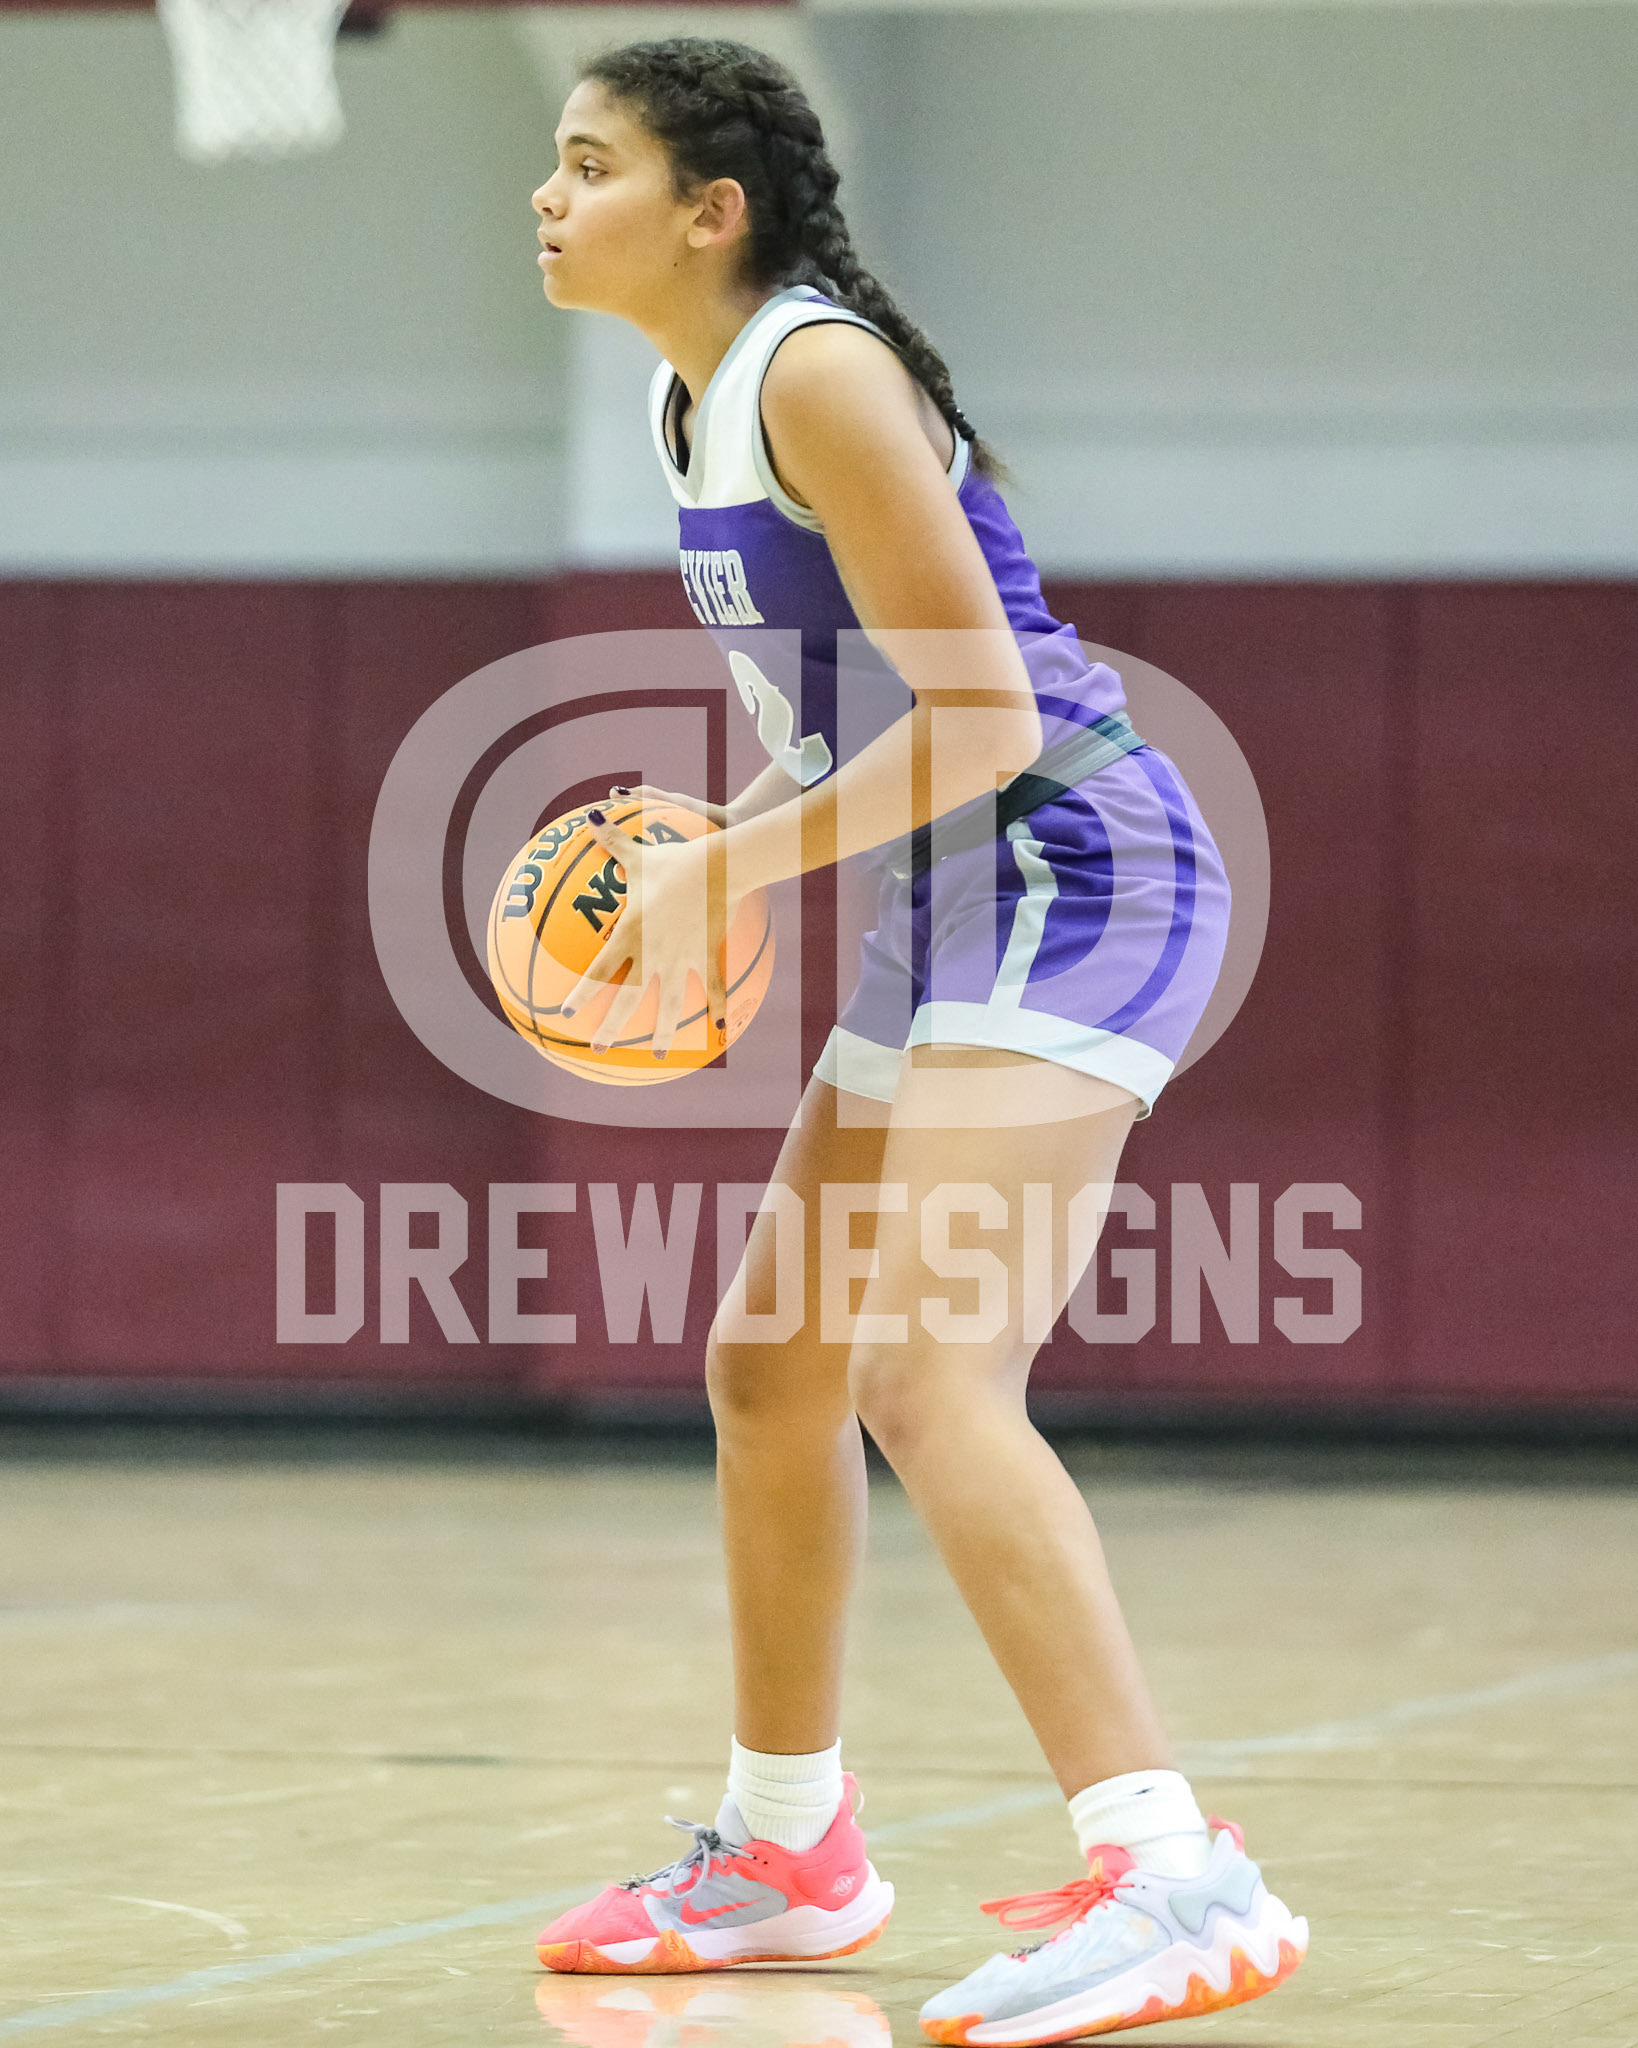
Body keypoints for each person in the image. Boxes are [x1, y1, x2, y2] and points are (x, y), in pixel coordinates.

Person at [528, 36, 1307, 2042]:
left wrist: (729, 868)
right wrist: (731, 851)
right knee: (773, 1365)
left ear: (711, 209)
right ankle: (790, 1852)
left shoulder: (816, 372)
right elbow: (866, 729)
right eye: (555, 160)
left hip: (1072, 859)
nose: (549, 194)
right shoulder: (694, 394)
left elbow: (988, 719)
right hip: (950, 890)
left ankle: (1177, 1876)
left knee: (928, 1372)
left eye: (592, 162)